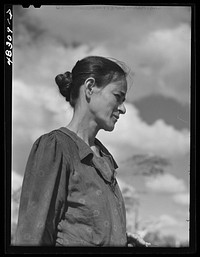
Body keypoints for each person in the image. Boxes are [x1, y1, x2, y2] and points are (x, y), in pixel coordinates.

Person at [15, 56, 150, 247]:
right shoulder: (56, 147)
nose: (123, 109)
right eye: (117, 96)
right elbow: (31, 235)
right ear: (89, 87)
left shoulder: (104, 157)